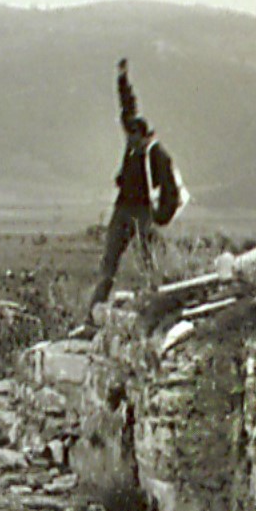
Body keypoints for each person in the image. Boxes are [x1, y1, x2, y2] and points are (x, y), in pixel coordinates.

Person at [88, 58, 185, 317]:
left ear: (143, 136)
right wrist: (122, 81)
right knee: (109, 262)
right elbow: (127, 110)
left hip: (143, 213)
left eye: (133, 138)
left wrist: (161, 217)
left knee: (147, 264)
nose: (129, 142)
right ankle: (93, 312)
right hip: (123, 208)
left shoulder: (157, 155)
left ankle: (154, 307)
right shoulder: (134, 145)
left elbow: (171, 190)